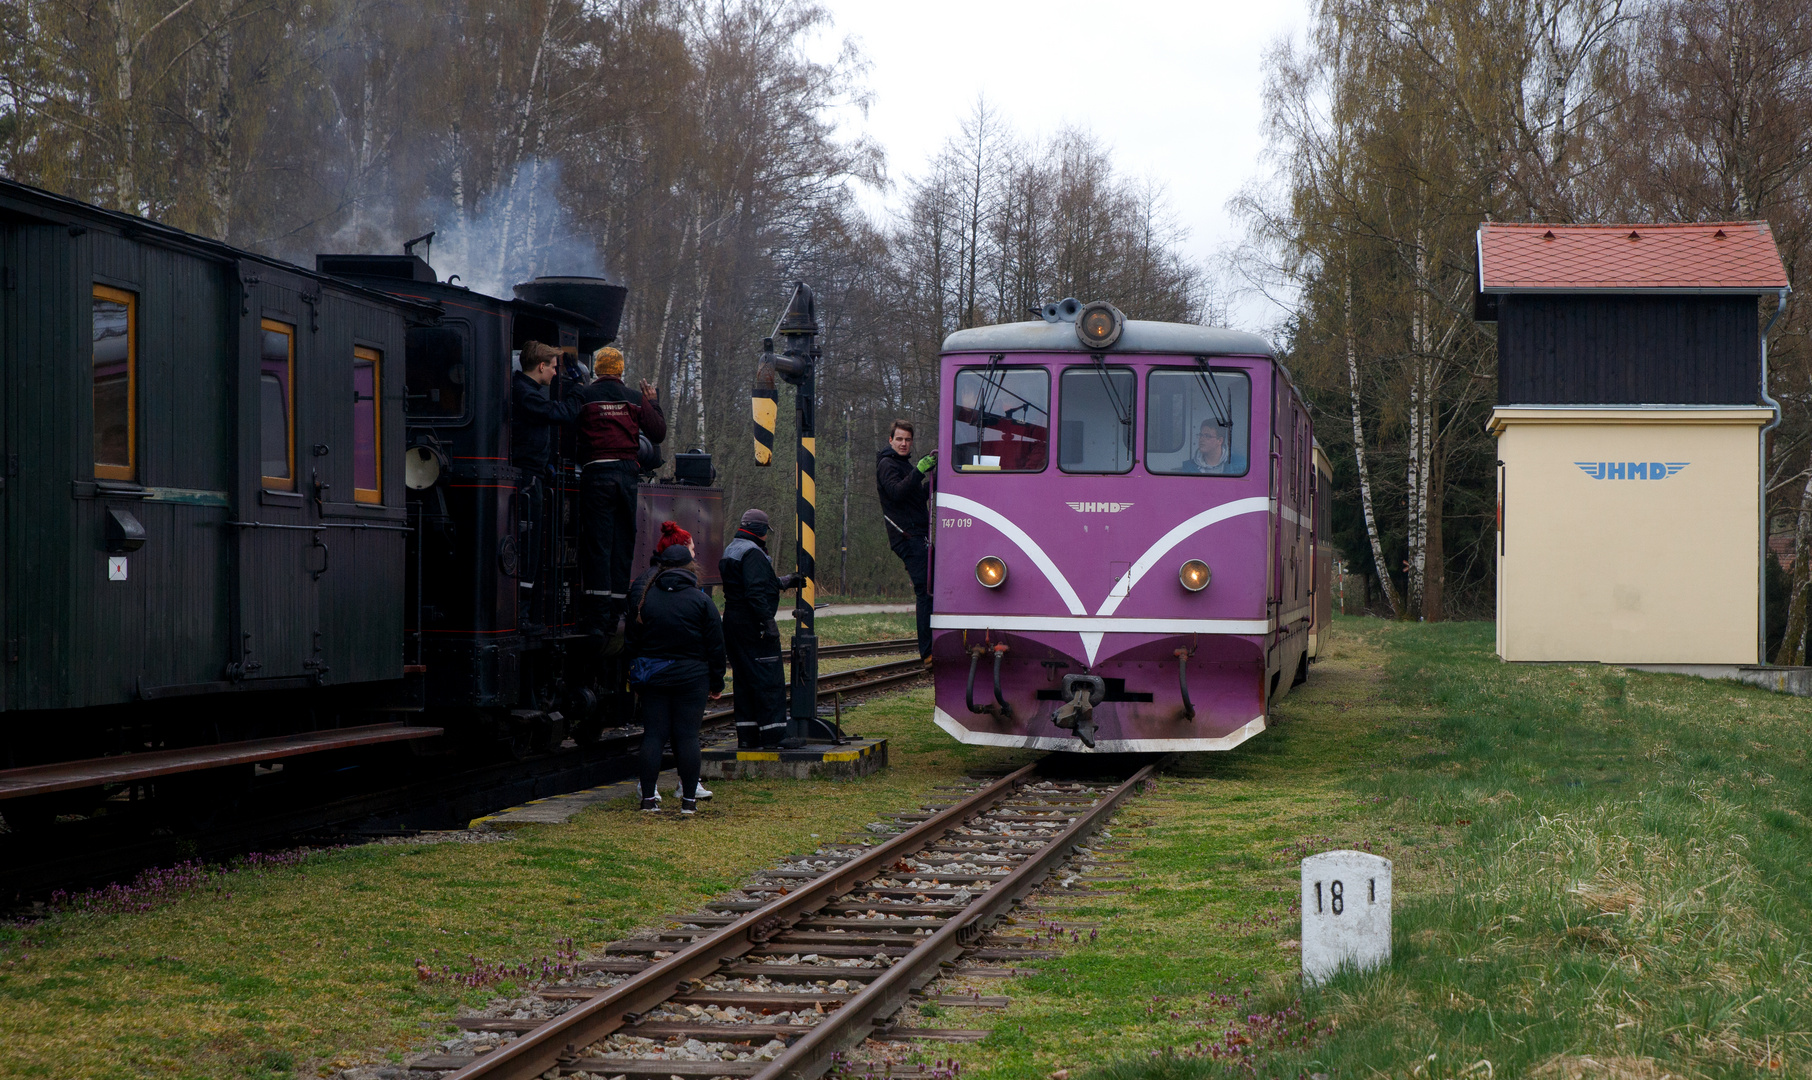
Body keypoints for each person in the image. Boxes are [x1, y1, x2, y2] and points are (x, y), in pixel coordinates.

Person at [566, 345, 667, 638]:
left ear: (597, 369)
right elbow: (658, 432)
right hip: (626, 475)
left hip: (596, 472)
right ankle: (615, 613)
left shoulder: (585, 397)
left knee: (598, 544)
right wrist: (654, 402)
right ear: (620, 370)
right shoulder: (635, 398)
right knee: (622, 543)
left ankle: (596, 617)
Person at [626, 537, 725, 815]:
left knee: (654, 736)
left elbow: (632, 643)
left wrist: (635, 677)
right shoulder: (701, 600)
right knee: (688, 737)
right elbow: (716, 646)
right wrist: (716, 682)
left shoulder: (646, 599)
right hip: (692, 678)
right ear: (689, 567)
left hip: (654, 678)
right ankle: (689, 802)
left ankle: (648, 800)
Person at [720, 509, 802, 748]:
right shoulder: (753, 553)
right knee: (768, 678)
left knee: (744, 679)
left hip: (733, 623)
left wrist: (784, 582)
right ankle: (775, 736)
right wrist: (768, 622)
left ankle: (748, 737)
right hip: (752, 624)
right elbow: (755, 592)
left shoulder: (732, 549)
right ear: (761, 530)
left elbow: (749, 583)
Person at [511, 342, 576, 632]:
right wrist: (577, 390)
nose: (554, 372)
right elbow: (562, 413)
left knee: (531, 545)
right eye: (552, 366)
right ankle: (521, 614)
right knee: (528, 546)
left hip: (535, 475)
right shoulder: (525, 394)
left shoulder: (525, 391)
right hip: (527, 479)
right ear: (540, 366)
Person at [876, 420, 935, 663]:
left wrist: (934, 481)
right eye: (899, 439)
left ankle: (932, 647)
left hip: (917, 535)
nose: (903, 443)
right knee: (925, 592)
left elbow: (915, 496)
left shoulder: (904, 465)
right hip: (907, 537)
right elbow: (897, 493)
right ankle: (928, 652)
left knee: (931, 590)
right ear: (891, 440)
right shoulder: (887, 464)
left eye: (907, 440)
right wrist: (919, 471)